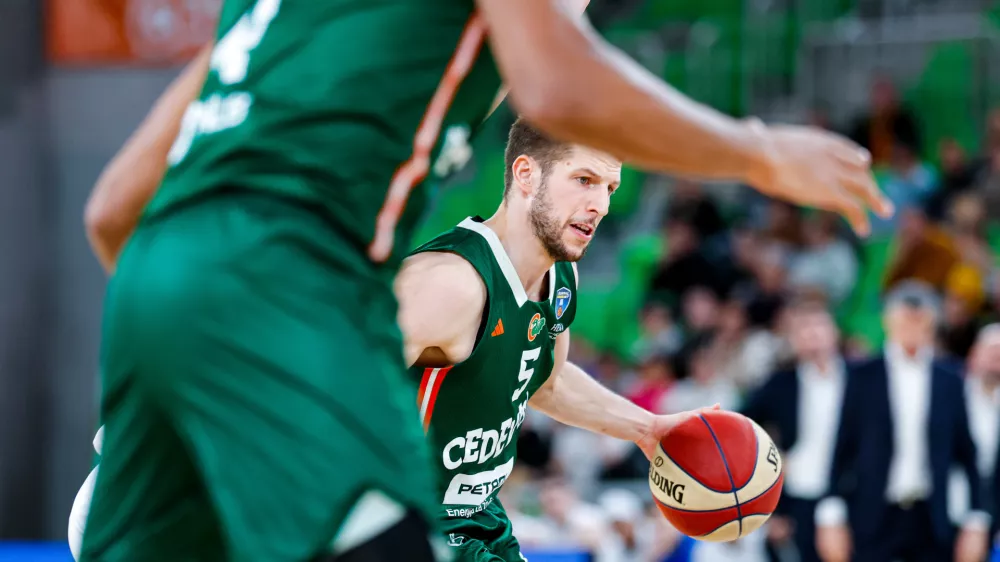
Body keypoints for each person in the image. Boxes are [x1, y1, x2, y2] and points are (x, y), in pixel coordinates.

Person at [79, 0, 894, 560]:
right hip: (290, 278)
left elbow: (113, 210)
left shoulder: (272, 16)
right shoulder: (450, 282)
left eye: (611, 190)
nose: (602, 203)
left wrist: (646, 430)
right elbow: (560, 85)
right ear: (526, 177)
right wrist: (758, 153)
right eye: (586, 182)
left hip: (161, 278)